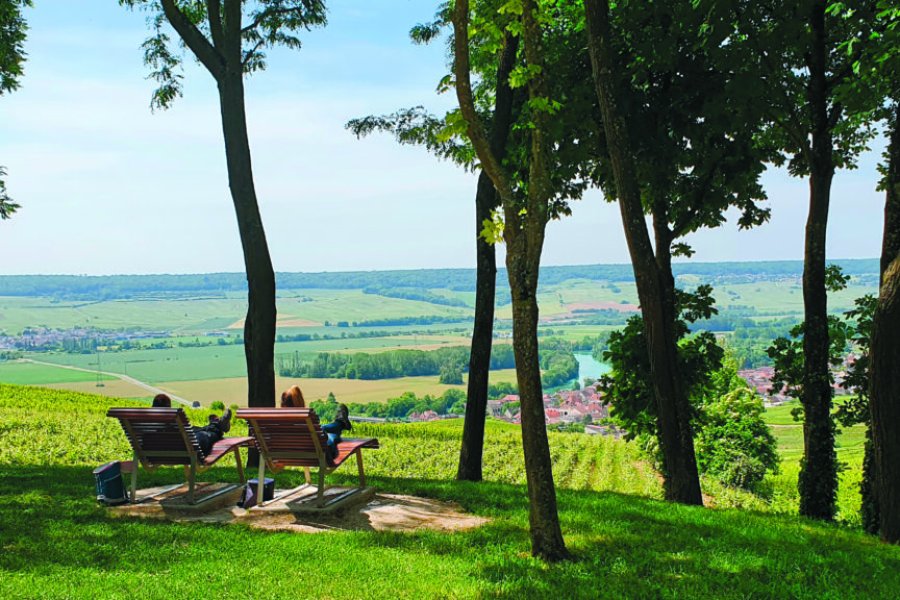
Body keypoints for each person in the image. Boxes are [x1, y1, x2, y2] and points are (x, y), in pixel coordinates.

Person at [279, 385, 352, 460]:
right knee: (331, 434)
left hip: (285, 456)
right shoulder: (307, 419)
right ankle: (340, 423)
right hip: (321, 455)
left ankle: (340, 423)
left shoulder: (276, 424)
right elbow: (324, 436)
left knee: (320, 429)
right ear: (299, 402)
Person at [151, 393, 232, 456]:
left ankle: (215, 424)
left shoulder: (143, 426)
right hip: (188, 451)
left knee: (195, 430)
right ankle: (216, 424)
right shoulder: (172, 424)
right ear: (169, 408)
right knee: (205, 434)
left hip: (153, 454)